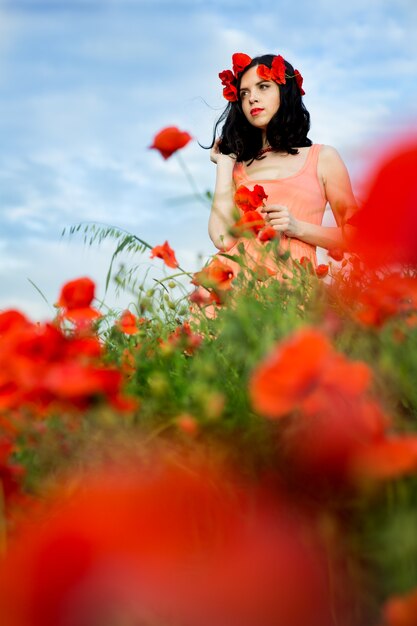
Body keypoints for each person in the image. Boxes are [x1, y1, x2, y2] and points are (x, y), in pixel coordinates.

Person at [208, 53, 358, 273]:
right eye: (244, 93)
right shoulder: (236, 168)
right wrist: (224, 163)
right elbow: (222, 240)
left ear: (285, 91)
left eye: (263, 86)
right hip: (234, 292)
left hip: (290, 289)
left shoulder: (322, 158)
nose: (252, 98)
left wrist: (297, 228)